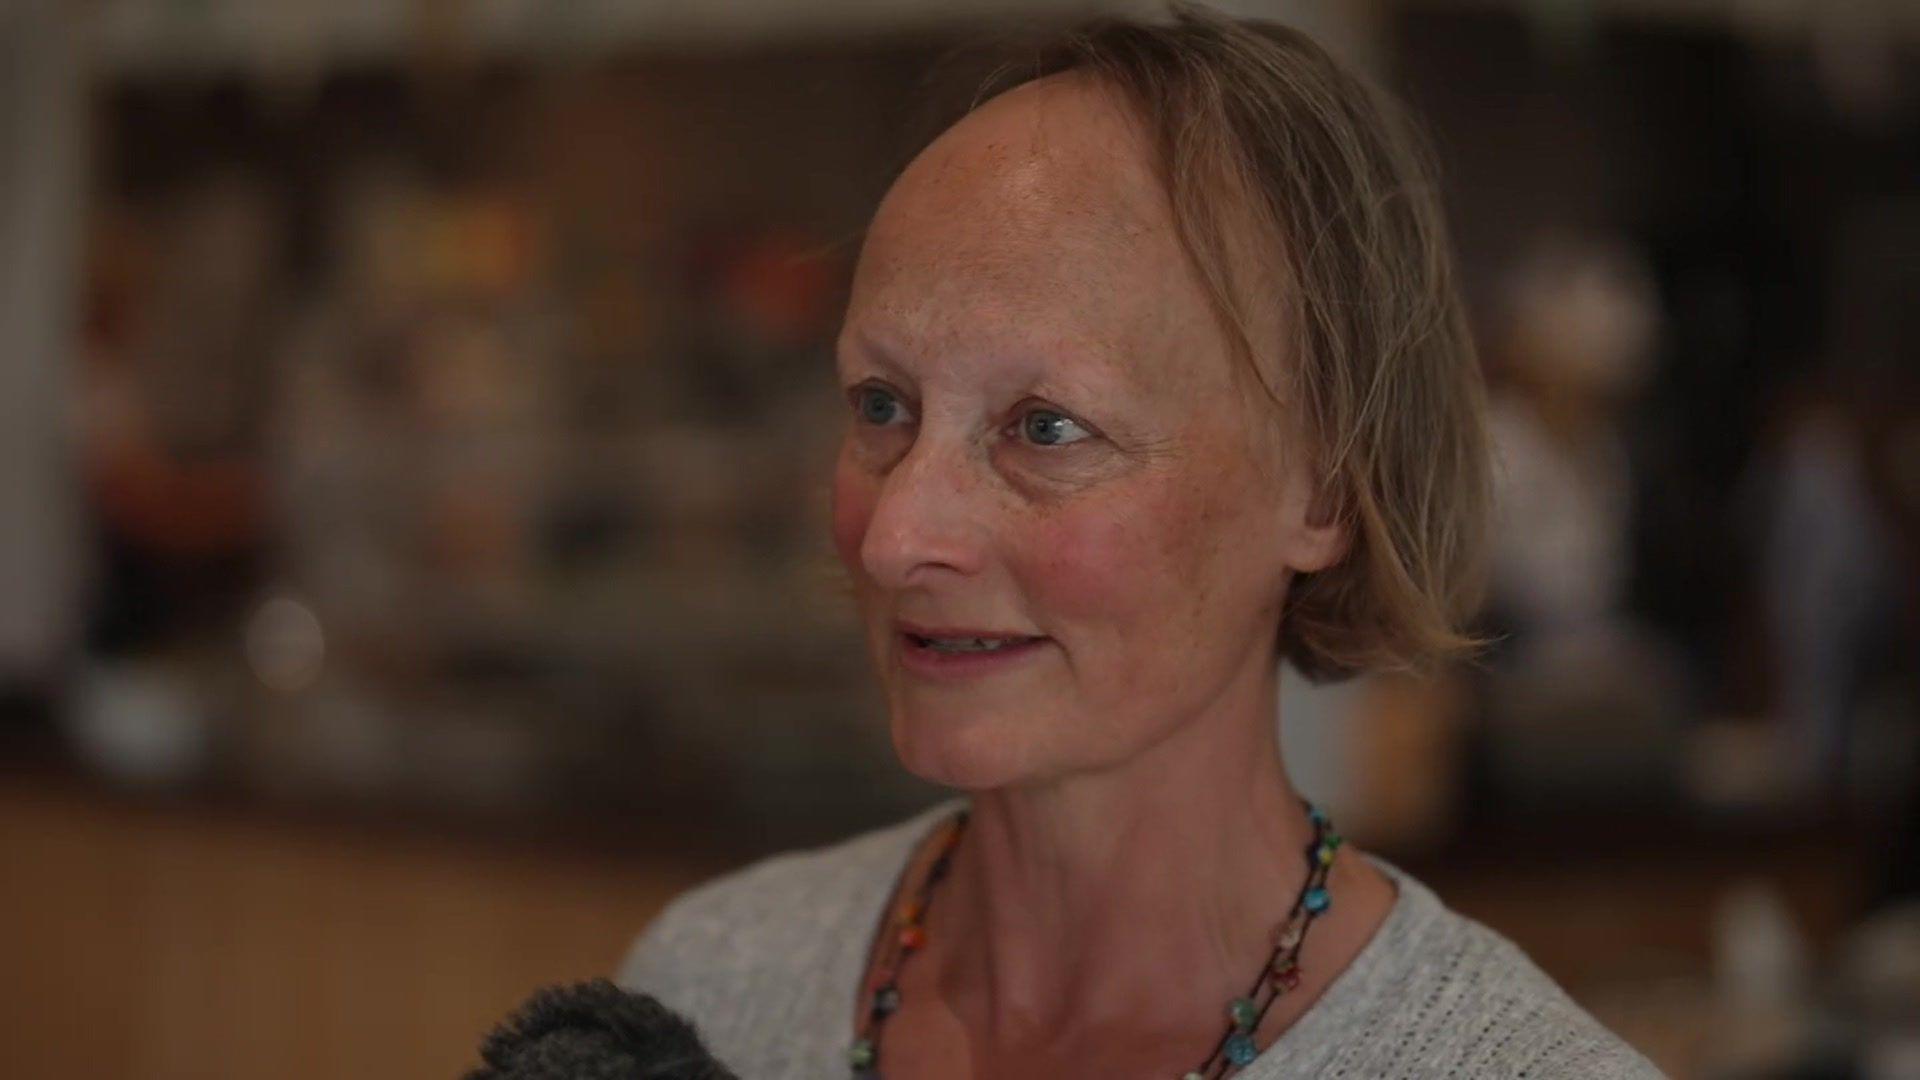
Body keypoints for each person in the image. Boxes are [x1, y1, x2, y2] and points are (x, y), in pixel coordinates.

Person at [621, 7, 1663, 1078]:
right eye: (882, 406)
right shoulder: (707, 996)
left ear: (1326, 490)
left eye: (1046, 428)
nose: (894, 540)